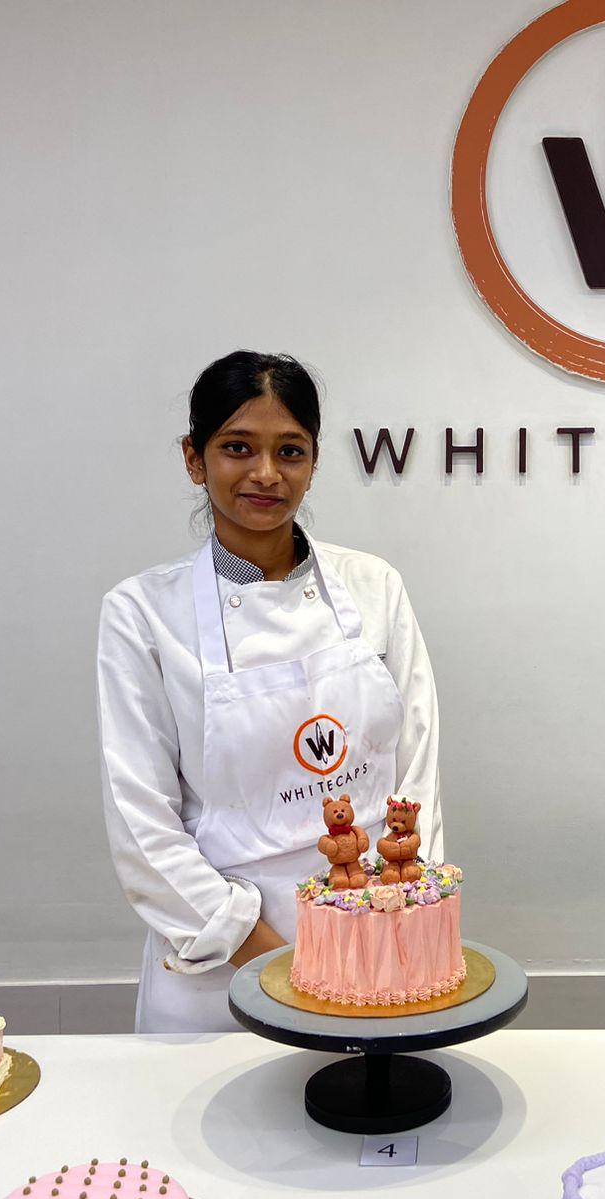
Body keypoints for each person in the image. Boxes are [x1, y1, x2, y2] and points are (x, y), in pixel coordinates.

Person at [97, 350, 442, 1033]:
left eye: (290, 451)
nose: (265, 473)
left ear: (313, 462)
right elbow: (142, 826)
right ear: (194, 459)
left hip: (379, 945)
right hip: (225, 962)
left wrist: (401, 909)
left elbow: (418, 773)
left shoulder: (375, 587)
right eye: (237, 448)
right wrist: (278, 963)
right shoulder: (141, 613)